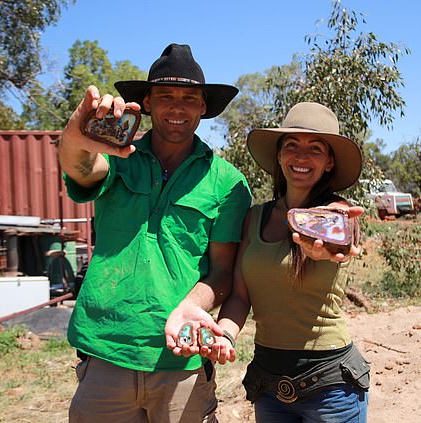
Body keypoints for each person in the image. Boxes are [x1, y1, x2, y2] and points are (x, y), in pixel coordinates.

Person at [58, 43, 252, 423]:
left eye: (189, 98)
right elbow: (82, 168)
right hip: (105, 352)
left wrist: (191, 306)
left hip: (180, 360)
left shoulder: (228, 183)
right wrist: (75, 138)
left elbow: (223, 271)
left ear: (203, 108)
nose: (177, 107)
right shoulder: (116, 156)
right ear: (147, 102)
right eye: (165, 96)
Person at [200, 102, 370, 422]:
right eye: (291, 145)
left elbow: (343, 238)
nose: (301, 156)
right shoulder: (254, 219)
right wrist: (224, 335)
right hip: (270, 384)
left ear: (330, 162)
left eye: (315, 148)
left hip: (331, 387)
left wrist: (328, 249)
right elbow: (239, 296)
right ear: (279, 156)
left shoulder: (337, 214)